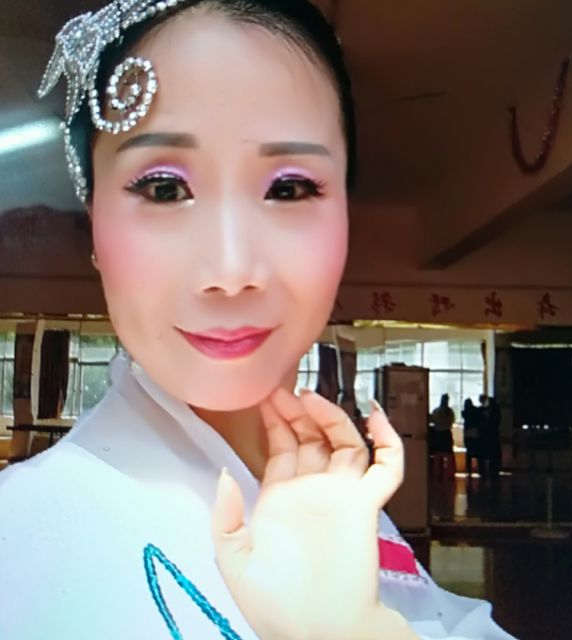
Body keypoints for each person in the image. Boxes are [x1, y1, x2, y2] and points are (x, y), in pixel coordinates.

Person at [0, 1, 516, 638]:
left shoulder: (339, 500)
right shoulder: (22, 544)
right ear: (94, 225)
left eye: (288, 188)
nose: (231, 269)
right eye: (164, 189)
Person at [461, 398, 482, 477]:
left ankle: (469, 470)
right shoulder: (476, 411)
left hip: (467, 433)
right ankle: (480, 469)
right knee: (478, 452)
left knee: (468, 452)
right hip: (475, 433)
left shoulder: (464, 412)